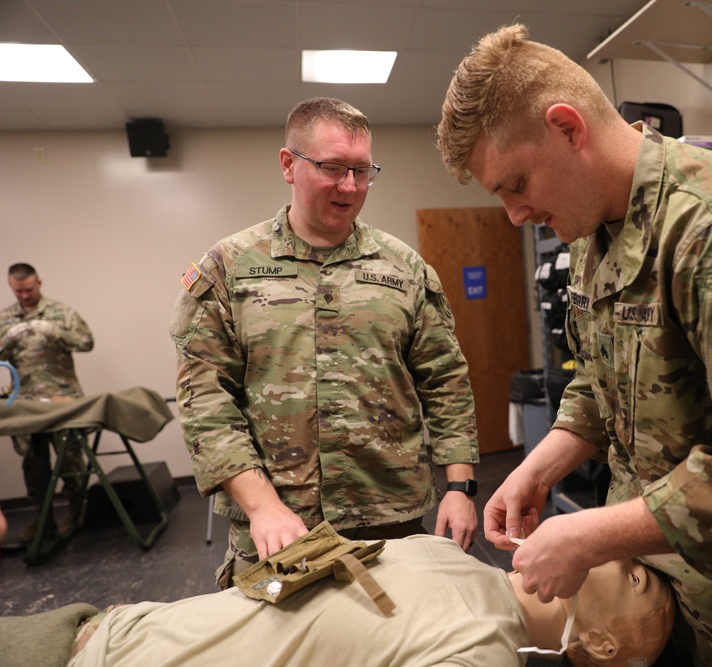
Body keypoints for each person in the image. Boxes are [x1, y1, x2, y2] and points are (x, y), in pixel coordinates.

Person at [436, 24, 712, 665]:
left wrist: (588, 535)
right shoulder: (595, 232)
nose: (515, 215)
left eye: (516, 184)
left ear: (569, 129)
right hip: (671, 578)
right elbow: (601, 382)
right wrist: (536, 469)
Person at [170, 97, 480, 589]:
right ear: (288, 165)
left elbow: (445, 382)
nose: (350, 187)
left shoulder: (404, 269)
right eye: (333, 168)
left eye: (362, 171)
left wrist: (460, 487)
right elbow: (205, 400)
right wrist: (261, 506)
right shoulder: (229, 268)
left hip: (391, 516)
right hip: (277, 525)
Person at [0, 534, 674, 667]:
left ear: (606, 644)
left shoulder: (474, 638)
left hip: (109, 634)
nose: (615, 548)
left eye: (635, 574)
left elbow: (265, 591)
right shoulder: (462, 588)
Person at [0, 263, 94, 542]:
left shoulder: (60, 312)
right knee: (34, 463)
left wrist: (53, 331)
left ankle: (76, 516)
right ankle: (43, 521)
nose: (25, 295)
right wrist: (7, 338)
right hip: (26, 402)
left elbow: (86, 341)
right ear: (10, 287)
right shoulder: (5, 318)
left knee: (70, 461)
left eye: (29, 289)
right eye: (19, 291)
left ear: (39, 283)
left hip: (61, 398)